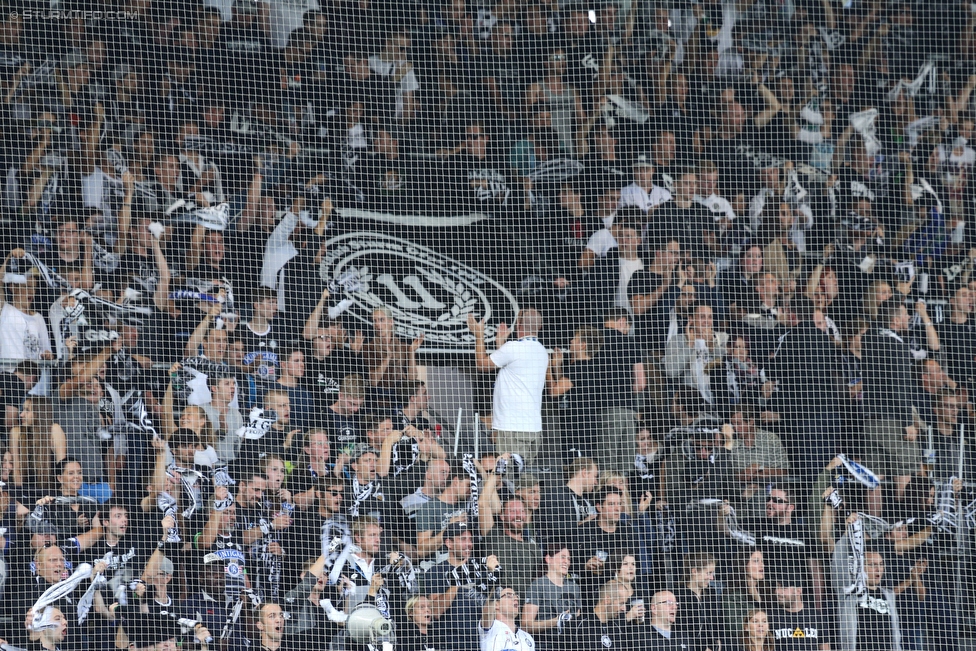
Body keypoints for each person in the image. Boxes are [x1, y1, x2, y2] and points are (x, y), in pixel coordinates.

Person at [467, 309, 549, 464]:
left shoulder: (513, 348)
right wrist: (501, 345)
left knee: (508, 478)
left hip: (513, 428)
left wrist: (479, 335)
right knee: (520, 477)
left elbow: (482, 364)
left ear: (518, 325)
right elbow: (513, 368)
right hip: (532, 428)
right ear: (540, 327)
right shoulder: (541, 351)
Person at [522, 544, 583, 651]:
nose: (566, 562)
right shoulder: (538, 585)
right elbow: (525, 625)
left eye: (568, 559)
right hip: (545, 644)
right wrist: (556, 621)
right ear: (548, 559)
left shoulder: (575, 587)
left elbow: (578, 618)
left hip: (572, 645)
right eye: (562, 557)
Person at [480, 587, 535, 651]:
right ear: (496, 604)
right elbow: (487, 614)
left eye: (516, 596)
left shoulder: (527, 637)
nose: (516, 598)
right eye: (509, 596)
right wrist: (493, 595)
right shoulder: (491, 628)